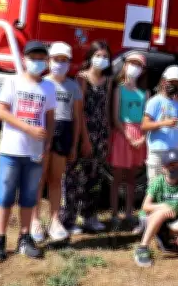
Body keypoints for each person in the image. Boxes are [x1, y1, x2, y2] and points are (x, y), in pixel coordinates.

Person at [0, 40, 57, 262]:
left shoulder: (48, 87)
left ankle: (25, 237)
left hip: (35, 152)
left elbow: (49, 116)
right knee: (5, 195)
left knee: (29, 196)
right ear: (24, 59)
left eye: (41, 58)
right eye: (33, 58)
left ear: (46, 61)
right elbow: (1, 111)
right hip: (11, 149)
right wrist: (27, 127)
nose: (37, 62)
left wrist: (47, 143)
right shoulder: (12, 82)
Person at [30, 42, 82, 244]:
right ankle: (35, 220)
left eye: (64, 60)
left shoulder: (73, 86)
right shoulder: (42, 83)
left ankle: (54, 220)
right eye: (56, 59)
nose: (59, 64)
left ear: (69, 63)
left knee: (55, 179)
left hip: (64, 133)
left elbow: (77, 117)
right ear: (48, 61)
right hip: (43, 133)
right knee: (38, 179)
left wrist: (74, 144)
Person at [61, 41, 112, 235]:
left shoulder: (107, 81)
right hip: (84, 133)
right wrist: (84, 138)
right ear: (90, 57)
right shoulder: (81, 79)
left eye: (105, 56)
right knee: (75, 177)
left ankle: (89, 216)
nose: (102, 59)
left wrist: (106, 135)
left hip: (101, 135)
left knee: (95, 177)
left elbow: (106, 109)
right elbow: (79, 111)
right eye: (98, 55)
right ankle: (68, 219)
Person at [134, 149, 178, 267]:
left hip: (171, 220)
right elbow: (145, 207)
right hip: (151, 218)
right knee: (162, 212)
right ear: (164, 168)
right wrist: (161, 206)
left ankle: (163, 236)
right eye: (171, 165)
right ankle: (142, 248)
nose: (175, 168)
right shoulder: (158, 182)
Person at [109, 52, 148, 232]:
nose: (134, 67)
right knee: (117, 177)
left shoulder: (144, 93)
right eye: (131, 63)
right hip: (122, 134)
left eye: (138, 65)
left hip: (138, 135)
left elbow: (146, 119)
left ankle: (129, 213)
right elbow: (116, 117)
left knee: (132, 178)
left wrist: (142, 138)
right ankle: (115, 214)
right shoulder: (119, 89)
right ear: (125, 65)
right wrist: (128, 136)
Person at [141, 66, 178, 182]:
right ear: (164, 81)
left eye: (177, 83)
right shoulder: (155, 101)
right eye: (171, 82)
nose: (174, 85)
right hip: (157, 151)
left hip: (173, 152)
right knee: (154, 186)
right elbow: (145, 125)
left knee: (171, 187)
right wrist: (164, 123)